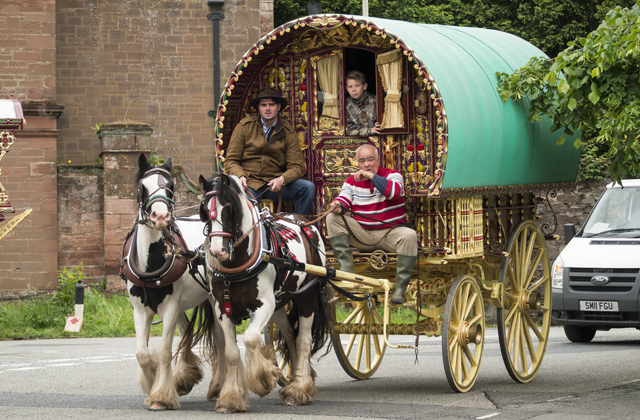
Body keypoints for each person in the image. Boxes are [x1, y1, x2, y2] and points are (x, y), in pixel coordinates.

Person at [326, 144, 417, 304]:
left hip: (390, 234)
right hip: (363, 234)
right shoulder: (351, 181)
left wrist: (370, 177)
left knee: (409, 236)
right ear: (357, 164)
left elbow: (393, 192)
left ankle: (400, 290)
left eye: (370, 159)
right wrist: (336, 205)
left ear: (378, 159)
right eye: (362, 161)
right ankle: (347, 270)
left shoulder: (393, 175)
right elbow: (344, 198)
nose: (367, 164)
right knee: (332, 218)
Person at [224, 87, 315, 215]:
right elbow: (231, 160)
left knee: (308, 188)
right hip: (250, 183)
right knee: (246, 212)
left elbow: (297, 166)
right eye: (263, 105)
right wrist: (240, 176)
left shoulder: (288, 131)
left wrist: (282, 180)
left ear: (278, 107)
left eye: (271, 105)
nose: (267, 109)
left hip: (274, 183)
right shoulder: (244, 127)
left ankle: (296, 226)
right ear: (258, 108)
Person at [345, 70, 381, 137]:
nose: (353, 90)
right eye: (350, 87)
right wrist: (369, 131)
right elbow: (348, 129)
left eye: (357, 85)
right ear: (346, 88)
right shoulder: (345, 105)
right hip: (354, 142)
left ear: (365, 86)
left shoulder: (375, 101)